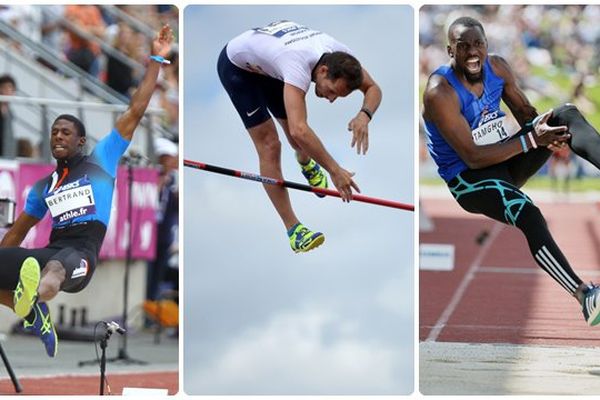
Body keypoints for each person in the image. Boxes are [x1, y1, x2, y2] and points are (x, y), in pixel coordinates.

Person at [0, 25, 174, 357]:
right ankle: (32, 311)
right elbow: (17, 233)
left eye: (66, 133)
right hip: (52, 249)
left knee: (53, 271)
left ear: (81, 141)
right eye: (54, 133)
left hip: (81, 257)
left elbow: (135, 111)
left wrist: (155, 59)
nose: (58, 137)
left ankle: (34, 298)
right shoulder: (43, 187)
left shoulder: (101, 160)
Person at [422, 16, 600, 326]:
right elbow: (473, 157)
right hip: (470, 179)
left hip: (503, 161)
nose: (473, 52)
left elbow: (528, 116)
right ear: (451, 51)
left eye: (478, 44)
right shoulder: (440, 92)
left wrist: (550, 136)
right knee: (526, 211)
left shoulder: (498, 68)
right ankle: (584, 295)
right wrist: (533, 139)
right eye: (463, 47)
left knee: (565, 114)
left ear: (487, 45)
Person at [218, 20, 382, 253]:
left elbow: (374, 88)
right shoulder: (296, 64)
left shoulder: (343, 58)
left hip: (271, 64)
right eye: (333, 91)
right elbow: (300, 129)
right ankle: (294, 230)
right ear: (323, 71)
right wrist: (334, 170)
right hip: (238, 69)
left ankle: (306, 163)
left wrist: (364, 115)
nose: (331, 99)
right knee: (271, 145)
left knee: (298, 141)